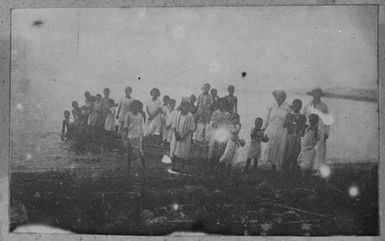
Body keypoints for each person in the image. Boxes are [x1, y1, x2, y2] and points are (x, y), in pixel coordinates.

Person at [303, 87, 330, 173]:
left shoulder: (324, 106)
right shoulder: (307, 105)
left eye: (318, 95)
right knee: (308, 148)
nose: (316, 96)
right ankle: (308, 167)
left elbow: (327, 121)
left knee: (319, 149)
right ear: (312, 95)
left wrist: (327, 132)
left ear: (320, 96)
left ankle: (317, 169)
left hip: (320, 129)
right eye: (314, 95)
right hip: (309, 129)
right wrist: (304, 130)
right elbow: (304, 118)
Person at [263, 89, 290, 170]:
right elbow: (267, 118)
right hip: (271, 128)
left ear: (284, 97)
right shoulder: (270, 105)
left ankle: (278, 166)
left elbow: (290, 118)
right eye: (277, 96)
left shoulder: (287, 106)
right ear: (274, 96)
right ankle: (270, 165)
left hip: (282, 130)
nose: (279, 97)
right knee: (270, 146)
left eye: (281, 96)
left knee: (280, 147)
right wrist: (263, 129)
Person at [282, 99, 307, 177]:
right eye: (295, 106)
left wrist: (299, 123)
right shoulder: (289, 115)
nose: (296, 107)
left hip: (297, 137)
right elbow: (284, 125)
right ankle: (286, 171)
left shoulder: (302, 116)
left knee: (296, 154)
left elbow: (303, 129)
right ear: (292, 106)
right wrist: (289, 119)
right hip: (289, 137)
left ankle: (294, 170)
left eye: (298, 106)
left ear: (301, 107)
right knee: (288, 154)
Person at [170, 98, 195, 171]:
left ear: (188, 107)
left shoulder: (190, 115)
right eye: (183, 106)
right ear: (181, 106)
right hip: (176, 136)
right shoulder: (177, 114)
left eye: (186, 106)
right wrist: (176, 135)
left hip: (185, 137)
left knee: (183, 152)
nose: (185, 108)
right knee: (174, 151)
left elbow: (191, 128)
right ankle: (173, 167)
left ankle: (182, 168)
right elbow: (174, 125)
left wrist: (184, 136)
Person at [207, 97, 231, 171]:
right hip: (215, 132)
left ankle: (220, 165)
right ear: (219, 104)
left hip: (223, 133)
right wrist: (215, 125)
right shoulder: (215, 112)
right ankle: (211, 165)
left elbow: (228, 124)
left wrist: (222, 126)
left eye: (224, 103)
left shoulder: (227, 114)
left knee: (222, 148)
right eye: (221, 103)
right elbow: (212, 122)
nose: (222, 105)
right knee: (213, 148)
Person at [122, 100, 146, 173]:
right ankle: (128, 167)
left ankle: (144, 167)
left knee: (140, 151)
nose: (136, 107)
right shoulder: (128, 114)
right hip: (130, 135)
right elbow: (126, 125)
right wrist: (125, 135)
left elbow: (141, 125)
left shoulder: (140, 115)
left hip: (138, 136)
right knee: (129, 152)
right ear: (131, 107)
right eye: (134, 106)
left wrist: (143, 134)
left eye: (137, 106)